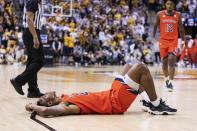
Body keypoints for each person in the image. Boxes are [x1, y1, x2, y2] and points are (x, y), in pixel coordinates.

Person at [25, 63, 177, 117]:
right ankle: (156, 104)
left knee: (128, 67)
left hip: (111, 92)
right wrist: (33, 106)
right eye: (45, 96)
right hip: (116, 102)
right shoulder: (66, 106)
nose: (46, 93)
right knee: (141, 68)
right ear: (50, 102)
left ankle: (145, 102)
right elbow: (45, 112)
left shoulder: (65, 96)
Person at [10, 0, 44, 98]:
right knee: (39, 60)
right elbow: (29, 19)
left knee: (32, 61)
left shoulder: (35, 2)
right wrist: (35, 37)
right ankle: (18, 81)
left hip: (31, 32)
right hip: (31, 32)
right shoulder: (33, 1)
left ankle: (33, 90)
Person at [152, 0, 185, 91]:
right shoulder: (159, 14)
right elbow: (155, 26)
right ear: (165, 5)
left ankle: (171, 82)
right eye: (167, 4)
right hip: (163, 41)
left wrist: (183, 40)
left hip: (173, 41)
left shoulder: (178, 14)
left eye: (171, 4)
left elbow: (181, 29)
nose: (169, 6)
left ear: (174, 5)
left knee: (171, 59)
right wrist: (153, 37)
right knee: (164, 61)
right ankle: (166, 78)